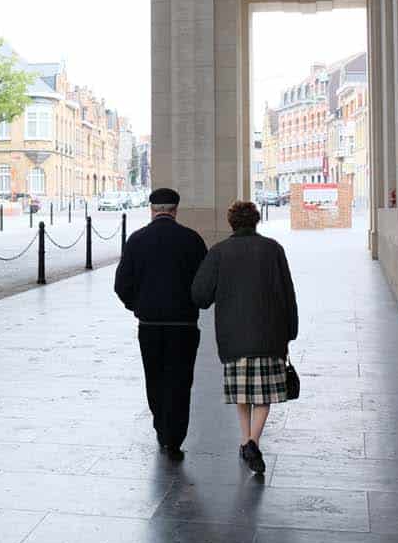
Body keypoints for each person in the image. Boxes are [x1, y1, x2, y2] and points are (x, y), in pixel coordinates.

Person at [191, 200, 297, 475]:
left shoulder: (219, 252)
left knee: (242, 392)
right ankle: (252, 441)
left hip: (233, 336)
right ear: (256, 221)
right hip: (270, 334)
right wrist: (291, 331)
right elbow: (288, 293)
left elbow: (200, 295)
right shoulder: (273, 249)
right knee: (263, 395)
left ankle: (245, 440)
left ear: (231, 223)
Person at [113, 187, 208, 460]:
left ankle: (161, 426)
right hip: (184, 325)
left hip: (150, 324)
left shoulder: (137, 240)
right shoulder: (192, 240)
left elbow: (122, 284)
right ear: (175, 210)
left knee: (154, 377)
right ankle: (174, 436)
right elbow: (204, 284)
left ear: (152, 210)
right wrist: (195, 305)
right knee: (180, 379)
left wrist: (138, 307)